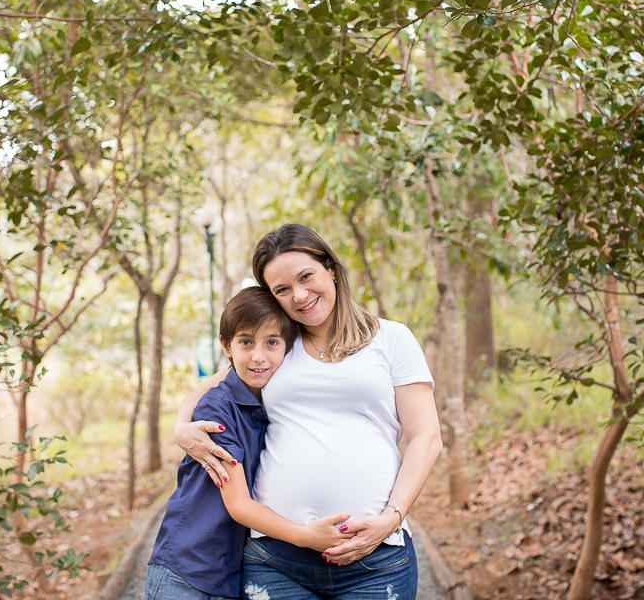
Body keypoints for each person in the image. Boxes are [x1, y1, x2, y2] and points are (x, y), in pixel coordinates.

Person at [174, 224, 442, 600]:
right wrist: (180, 426)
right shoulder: (276, 347)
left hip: (375, 558)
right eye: (282, 289)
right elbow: (211, 386)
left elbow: (426, 438)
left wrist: (391, 519)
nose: (299, 296)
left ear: (330, 269)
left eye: (306, 277)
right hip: (276, 561)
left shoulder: (392, 339)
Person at [147, 287, 354, 600]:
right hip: (187, 570)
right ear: (226, 347)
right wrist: (304, 536)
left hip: (232, 572)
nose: (259, 356)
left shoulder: (277, 405)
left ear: (289, 346)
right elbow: (238, 503)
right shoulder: (217, 409)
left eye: (271, 342)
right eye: (246, 342)